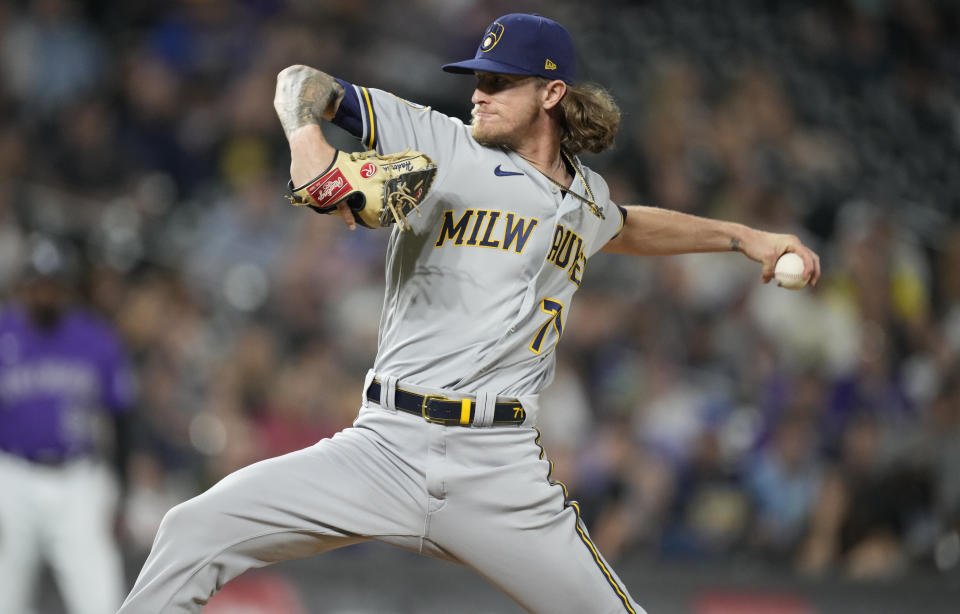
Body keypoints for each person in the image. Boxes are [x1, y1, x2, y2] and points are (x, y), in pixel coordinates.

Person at [118, 13, 820, 613]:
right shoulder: (440, 141)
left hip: (499, 469)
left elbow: (630, 224)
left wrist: (743, 236)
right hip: (383, 447)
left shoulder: (588, 199)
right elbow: (300, 81)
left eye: (498, 81)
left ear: (551, 92)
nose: (478, 93)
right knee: (193, 528)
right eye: (478, 78)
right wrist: (313, 149)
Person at [0, 235, 134, 614]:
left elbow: (122, 418)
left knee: (102, 601)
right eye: (37, 283)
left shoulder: (95, 338)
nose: (45, 293)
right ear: (22, 285)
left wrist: (122, 489)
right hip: (11, 476)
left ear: (67, 288)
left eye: (53, 284)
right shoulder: (3, 333)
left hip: (79, 479)